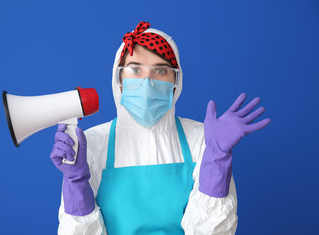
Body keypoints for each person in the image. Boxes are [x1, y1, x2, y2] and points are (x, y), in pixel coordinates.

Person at [49, 21, 271, 235]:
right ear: (119, 79)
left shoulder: (203, 141)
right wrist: (75, 184)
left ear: (176, 81)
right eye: (135, 70)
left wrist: (217, 161)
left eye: (161, 71)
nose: (147, 82)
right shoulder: (92, 144)